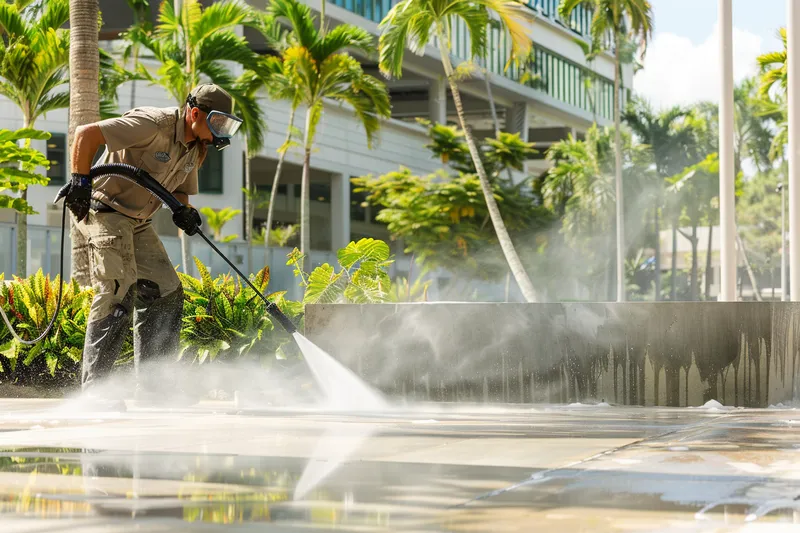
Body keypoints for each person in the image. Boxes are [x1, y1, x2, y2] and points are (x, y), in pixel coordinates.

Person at [61, 84, 243, 409]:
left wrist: (185, 212)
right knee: (119, 287)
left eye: (226, 126)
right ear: (196, 113)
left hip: (137, 222)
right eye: (217, 123)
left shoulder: (194, 149)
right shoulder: (152, 124)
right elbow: (87, 134)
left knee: (167, 290)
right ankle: (94, 393)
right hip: (104, 210)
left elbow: (182, 192)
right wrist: (79, 181)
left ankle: (155, 389)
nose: (220, 133)